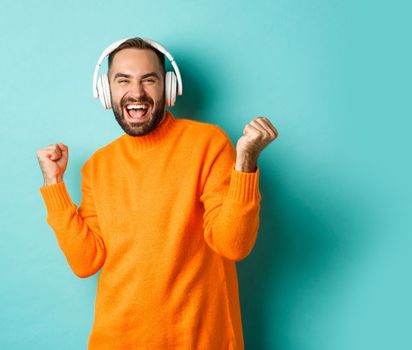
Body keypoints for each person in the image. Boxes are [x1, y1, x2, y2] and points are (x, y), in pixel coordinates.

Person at [35, 37, 278, 349]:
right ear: (105, 91)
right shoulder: (97, 166)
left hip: (199, 340)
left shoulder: (208, 144)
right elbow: (85, 262)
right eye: (123, 81)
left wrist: (245, 163)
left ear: (169, 87)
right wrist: (53, 184)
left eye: (148, 80)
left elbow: (233, 245)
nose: (136, 93)